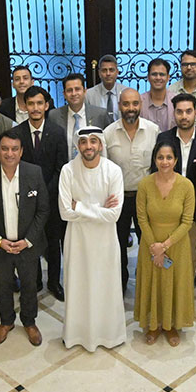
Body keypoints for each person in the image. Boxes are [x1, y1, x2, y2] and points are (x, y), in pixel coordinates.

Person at [0, 130, 50, 345]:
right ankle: (6, 321)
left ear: (21, 151)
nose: (10, 153)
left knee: (29, 285)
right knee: (3, 286)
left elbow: (43, 210)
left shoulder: (34, 173)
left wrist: (28, 240)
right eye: (5, 149)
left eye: (14, 149)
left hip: (28, 245)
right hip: (0, 245)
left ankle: (29, 321)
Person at [59, 127, 126, 351]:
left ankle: (108, 336)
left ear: (101, 145)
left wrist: (80, 206)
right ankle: (78, 335)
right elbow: (65, 212)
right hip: (77, 241)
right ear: (78, 146)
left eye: (93, 141)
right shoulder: (68, 171)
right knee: (79, 286)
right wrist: (99, 209)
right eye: (84, 142)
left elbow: (114, 215)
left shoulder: (113, 171)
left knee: (105, 287)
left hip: (105, 242)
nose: (88, 146)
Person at [134, 141, 196, 346]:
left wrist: (164, 246)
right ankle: (153, 324)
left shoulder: (186, 186)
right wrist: (155, 247)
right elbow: (141, 218)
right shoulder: (144, 184)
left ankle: (171, 326)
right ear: (154, 159)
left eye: (169, 157)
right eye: (160, 157)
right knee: (153, 282)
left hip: (177, 245)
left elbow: (187, 221)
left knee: (173, 284)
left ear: (176, 160)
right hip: (150, 243)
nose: (165, 162)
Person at [103, 89, 160, 295]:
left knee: (147, 241)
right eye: (126, 104)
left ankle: (147, 282)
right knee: (118, 244)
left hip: (145, 198)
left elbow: (158, 166)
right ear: (119, 105)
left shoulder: (153, 130)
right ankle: (120, 284)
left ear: (140, 105)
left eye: (135, 103)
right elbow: (103, 169)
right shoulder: (108, 133)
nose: (131, 108)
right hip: (118, 199)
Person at [15, 85, 68, 300]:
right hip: (26, 199)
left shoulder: (57, 132)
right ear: (25, 106)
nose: (35, 108)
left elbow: (61, 168)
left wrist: (44, 193)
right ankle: (34, 281)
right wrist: (31, 194)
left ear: (46, 106)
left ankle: (54, 282)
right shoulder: (17, 133)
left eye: (39, 103)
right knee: (30, 241)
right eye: (31, 104)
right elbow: (16, 167)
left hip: (52, 198)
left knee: (53, 242)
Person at [154, 92, 196, 287]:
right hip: (170, 205)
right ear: (174, 114)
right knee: (172, 247)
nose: (184, 116)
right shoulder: (164, 138)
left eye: (188, 111)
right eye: (179, 112)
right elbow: (156, 171)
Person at [49, 73, 106, 156]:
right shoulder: (54, 116)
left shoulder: (100, 114)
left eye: (77, 89)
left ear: (84, 91)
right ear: (64, 94)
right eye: (69, 90)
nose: (74, 93)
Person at [85, 54, 129, 125]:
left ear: (117, 72)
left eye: (111, 70)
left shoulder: (126, 92)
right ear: (99, 73)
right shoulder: (89, 95)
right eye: (104, 70)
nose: (108, 74)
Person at [168, 50, 196, 121]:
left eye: (193, 64)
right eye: (185, 64)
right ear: (180, 67)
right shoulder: (171, 91)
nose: (189, 67)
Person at [141, 58, 176, 132]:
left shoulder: (176, 101)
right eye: (154, 74)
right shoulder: (139, 101)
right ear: (148, 77)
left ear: (168, 77)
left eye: (162, 74)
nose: (158, 78)